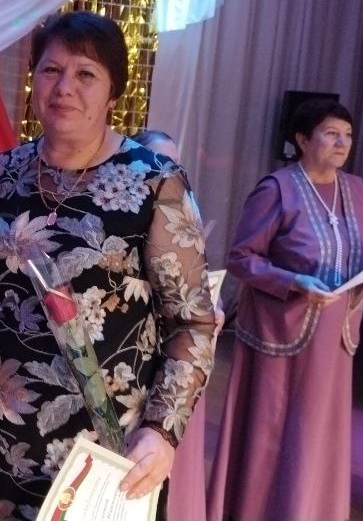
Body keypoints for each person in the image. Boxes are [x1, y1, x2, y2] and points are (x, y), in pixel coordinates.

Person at [0, 11, 216, 520]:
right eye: (51, 70)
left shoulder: (155, 183)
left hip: (109, 447)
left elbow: (192, 324)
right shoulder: (1, 174)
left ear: (113, 94)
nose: (65, 87)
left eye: (86, 73)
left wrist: (162, 430)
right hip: (7, 438)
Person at [207, 99, 363, 520]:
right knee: (275, 430)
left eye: (347, 135)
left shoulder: (358, 190)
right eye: (331, 133)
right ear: (303, 140)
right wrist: (294, 282)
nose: (342, 143)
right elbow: (241, 258)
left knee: (316, 431)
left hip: (335, 337)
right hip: (282, 333)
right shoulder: (277, 189)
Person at [132, 129, 217, 521]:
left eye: (176, 162)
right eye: (161, 160)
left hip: (181, 369)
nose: (170, 169)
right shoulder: (132, 206)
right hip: (142, 366)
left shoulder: (181, 202)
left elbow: (192, 305)